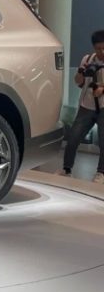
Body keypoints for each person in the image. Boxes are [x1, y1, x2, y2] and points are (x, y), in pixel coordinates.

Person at [57, 30, 104, 183]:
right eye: (98, 48)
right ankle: (66, 169)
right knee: (73, 138)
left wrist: (102, 89)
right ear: (94, 47)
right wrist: (81, 72)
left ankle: (101, 173)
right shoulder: (87, 59)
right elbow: (78, 82)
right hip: (86, 105)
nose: (102, 52)